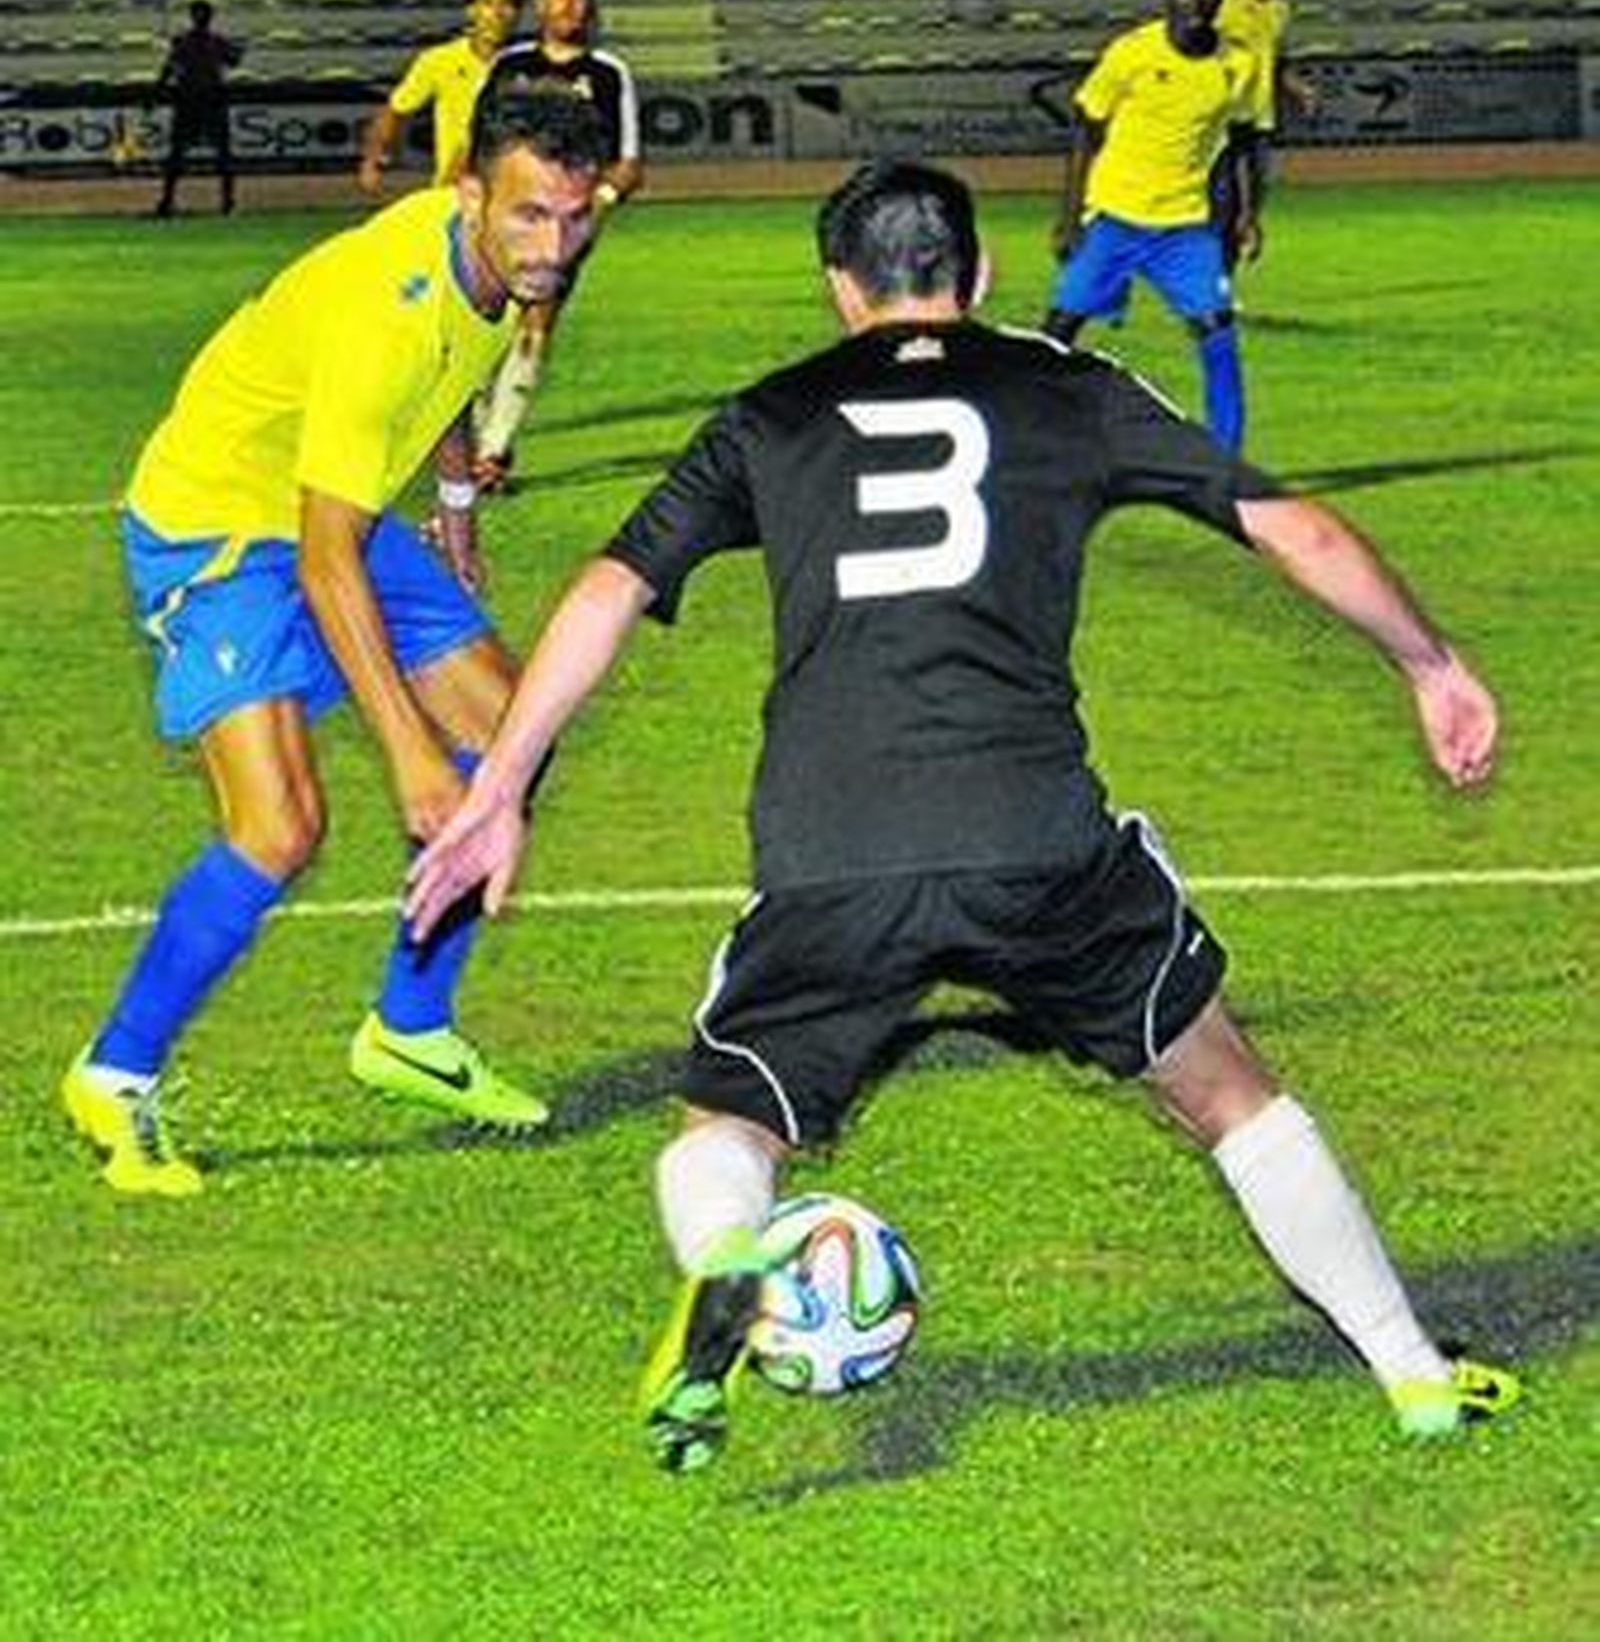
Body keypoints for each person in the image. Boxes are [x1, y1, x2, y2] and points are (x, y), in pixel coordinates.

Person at [405, 158, 1521, 1476]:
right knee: (1227, 1091)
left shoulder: (770, 415)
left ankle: (725, 1257)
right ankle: (1413, 1373)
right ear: (978, 277)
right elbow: (1297, 532)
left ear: (838, 290)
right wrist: (1429, 661)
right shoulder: (1070, 387)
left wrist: (501, 783)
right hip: (1033, 836)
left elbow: (607, 587)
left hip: (831, 852)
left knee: (730, 1127)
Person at [61, 85, 610, 1197]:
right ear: (467, 193)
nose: (551, 245)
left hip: (329, 499)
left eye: (572, 214)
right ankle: (115, 1075)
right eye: (526, 218)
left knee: (516, 735)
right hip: (221, 520)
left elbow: (458, 372)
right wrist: (408, 752)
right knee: (280, 825)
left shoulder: (503, 264)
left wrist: (453, 519)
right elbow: (324, 562)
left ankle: (408, 1028)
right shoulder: (387, 311)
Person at [1044, 0, 1260, 452]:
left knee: (1218, 333)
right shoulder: (1132, 53)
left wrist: (1247, 215)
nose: (1194, 1)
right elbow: (1085, 127)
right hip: (1114, 216)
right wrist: (1070, 216)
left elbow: (1241, 145)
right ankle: (1031, 444)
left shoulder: (1238, 65)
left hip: (1185, 227)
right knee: (1057, 335)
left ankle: (1225, 461)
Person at [469, 0, 644, 493]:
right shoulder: (510, 67)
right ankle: (479, 436)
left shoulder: (608, 74)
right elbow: (480, 144)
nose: (570, 6)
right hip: (500, 222)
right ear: (541, 3)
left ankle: (493, 453)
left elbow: (629, 162)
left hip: (562, 227)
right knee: (483, 326)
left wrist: (595, 205)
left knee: (536, 323)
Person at [358, 0, 524, 196]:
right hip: (454, 190)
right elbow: (395, 109)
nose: (496, 13)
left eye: (505, 4)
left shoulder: (531, 64)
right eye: (487, 3)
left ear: (517, 13)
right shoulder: (439, 61)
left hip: (514, 193)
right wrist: (373, 160)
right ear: (471, 11)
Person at [1215, 0, 1317, 270]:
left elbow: (1277, 63)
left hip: (1261, 120)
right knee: (1226, 203)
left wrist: (1298, 89)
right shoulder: (1225, 4)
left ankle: (1225, 275)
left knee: (1251, 205)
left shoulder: (1279, 11)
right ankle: (1214, 284)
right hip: (1225, 119)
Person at [153, 0, 243, 219]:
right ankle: (223, 203)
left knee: (215, 155)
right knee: (182, 155)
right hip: (196, 101)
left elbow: (233, 61)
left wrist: (157, 92)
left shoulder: (192, 41)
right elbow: (169, 69)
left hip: (204, 101)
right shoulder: (191, 41)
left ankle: (226, 202)